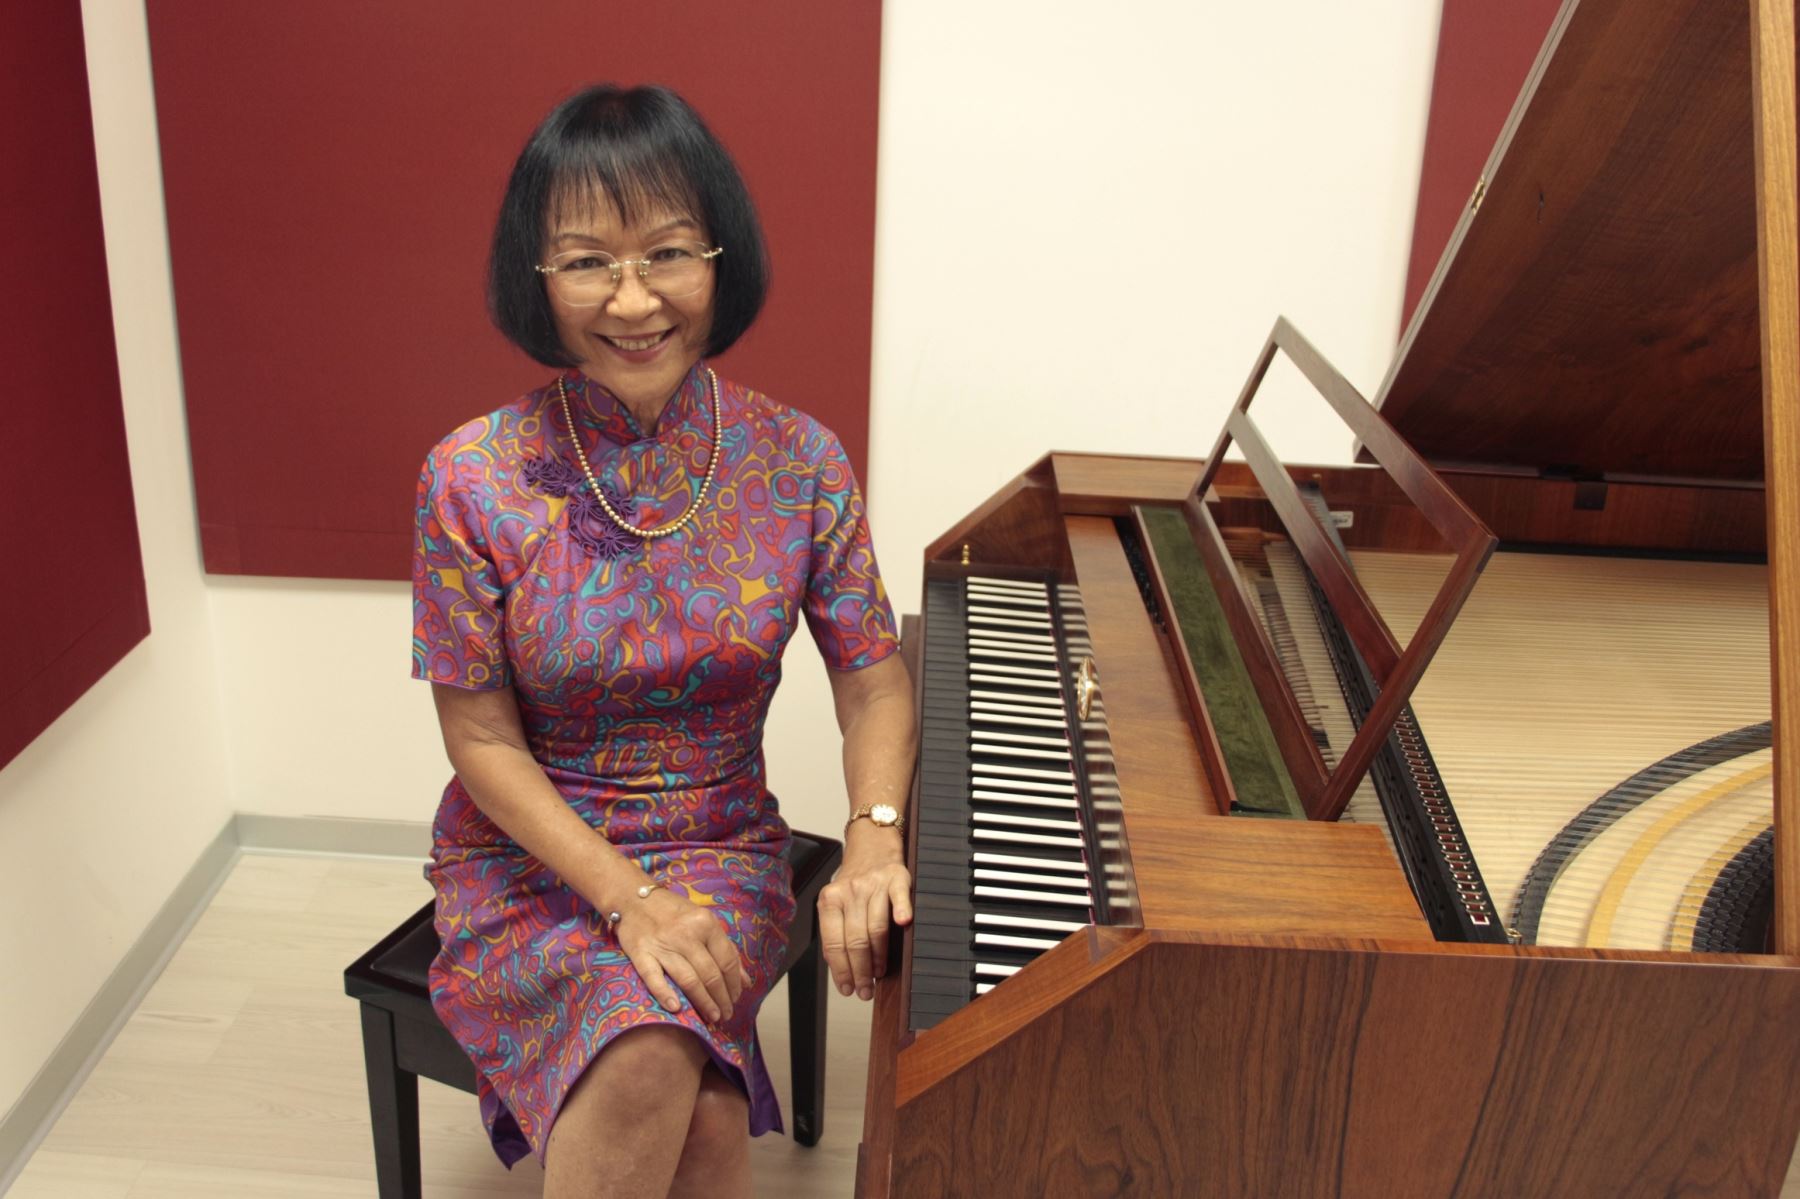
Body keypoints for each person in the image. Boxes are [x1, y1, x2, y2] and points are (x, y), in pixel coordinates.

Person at [411, 83, 915, 1198]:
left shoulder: (799, 461)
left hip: (718, 843)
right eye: (588, 260)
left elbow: (875, 686)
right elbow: (481, 740)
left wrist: (873, 835)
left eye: (669, 253)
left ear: (719, 260)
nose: (633, 299)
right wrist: (625, 898)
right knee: (685, 1101)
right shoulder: (471, 476)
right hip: (530, 859)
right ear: (536, 278)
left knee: (653, 1060)